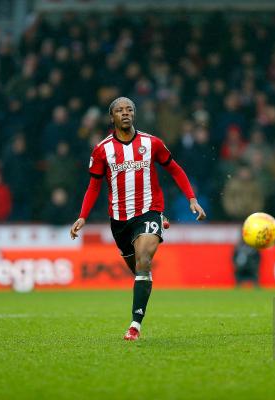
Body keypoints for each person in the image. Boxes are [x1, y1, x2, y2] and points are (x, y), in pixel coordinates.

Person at [69, 97, 206, 341]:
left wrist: (192, 198)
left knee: (144, 260)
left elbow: (174, 168)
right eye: (119, 110)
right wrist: (82, 216)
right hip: (119, 221)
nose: (125, 113)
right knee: (140, 271)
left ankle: (135, 325)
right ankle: (144, 280)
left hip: (149, 211)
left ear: (134, 114)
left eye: (129, 110)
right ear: (111, 117)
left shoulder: (151, 143)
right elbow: (93, 186)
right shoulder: (102, 150)